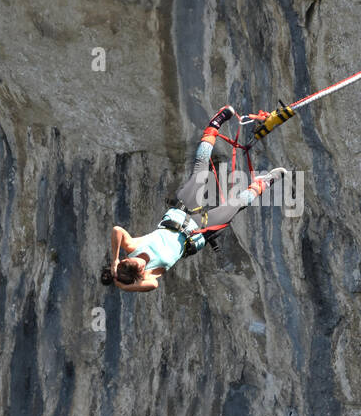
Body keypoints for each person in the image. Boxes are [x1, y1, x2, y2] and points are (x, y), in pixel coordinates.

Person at [102, 105, 288, 293]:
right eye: (140, 269)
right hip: (198, 232)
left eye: (134, 263)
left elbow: (117, 230)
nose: (141, 264)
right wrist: (119, 283)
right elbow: (151, 285)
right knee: (237, 205)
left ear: (126, 259)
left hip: (181, 211)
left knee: (200, 170)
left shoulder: (133, 247)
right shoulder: (149, 276)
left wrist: (115, 260)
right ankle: (263, 183)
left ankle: (214, 125)